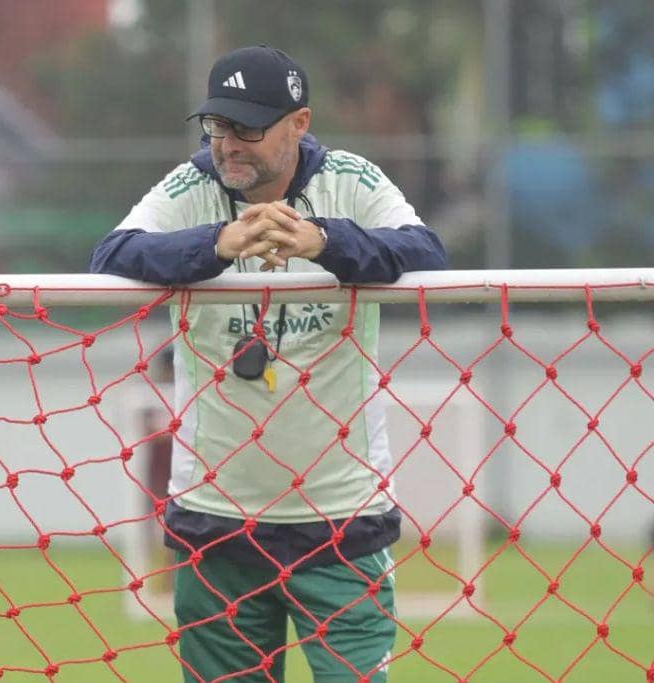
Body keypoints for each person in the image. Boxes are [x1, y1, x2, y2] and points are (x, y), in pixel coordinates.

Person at [90, 45, 446, 682]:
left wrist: (326, 241)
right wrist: (216, 245)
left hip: (345, 523)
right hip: (214, 522)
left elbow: (425, 251)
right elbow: (112, 256)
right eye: (217, 126)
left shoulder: (352, 180)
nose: (228, 144)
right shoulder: (190, 187)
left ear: (299, 124)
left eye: (248, 128)